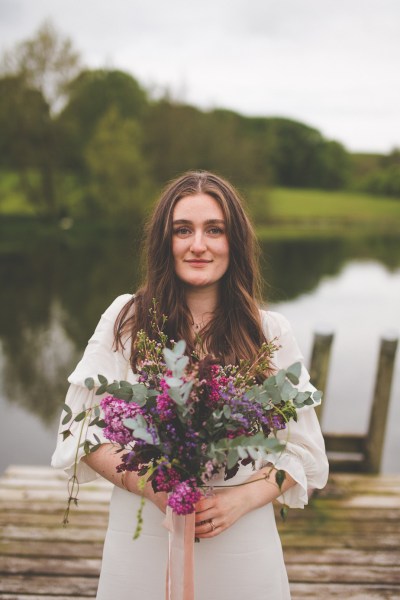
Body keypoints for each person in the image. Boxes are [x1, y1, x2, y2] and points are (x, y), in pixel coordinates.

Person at [52, 170, 329, 600]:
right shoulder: (127, 320)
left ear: (234, 242)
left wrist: (242, 500)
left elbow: (304, 451)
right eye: (183, 230)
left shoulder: (269, 332)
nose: (198, 245)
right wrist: (152, 485)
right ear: (166, 242)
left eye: (214, 230)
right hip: (143, 538)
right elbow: (84, 429)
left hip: (241, 543)